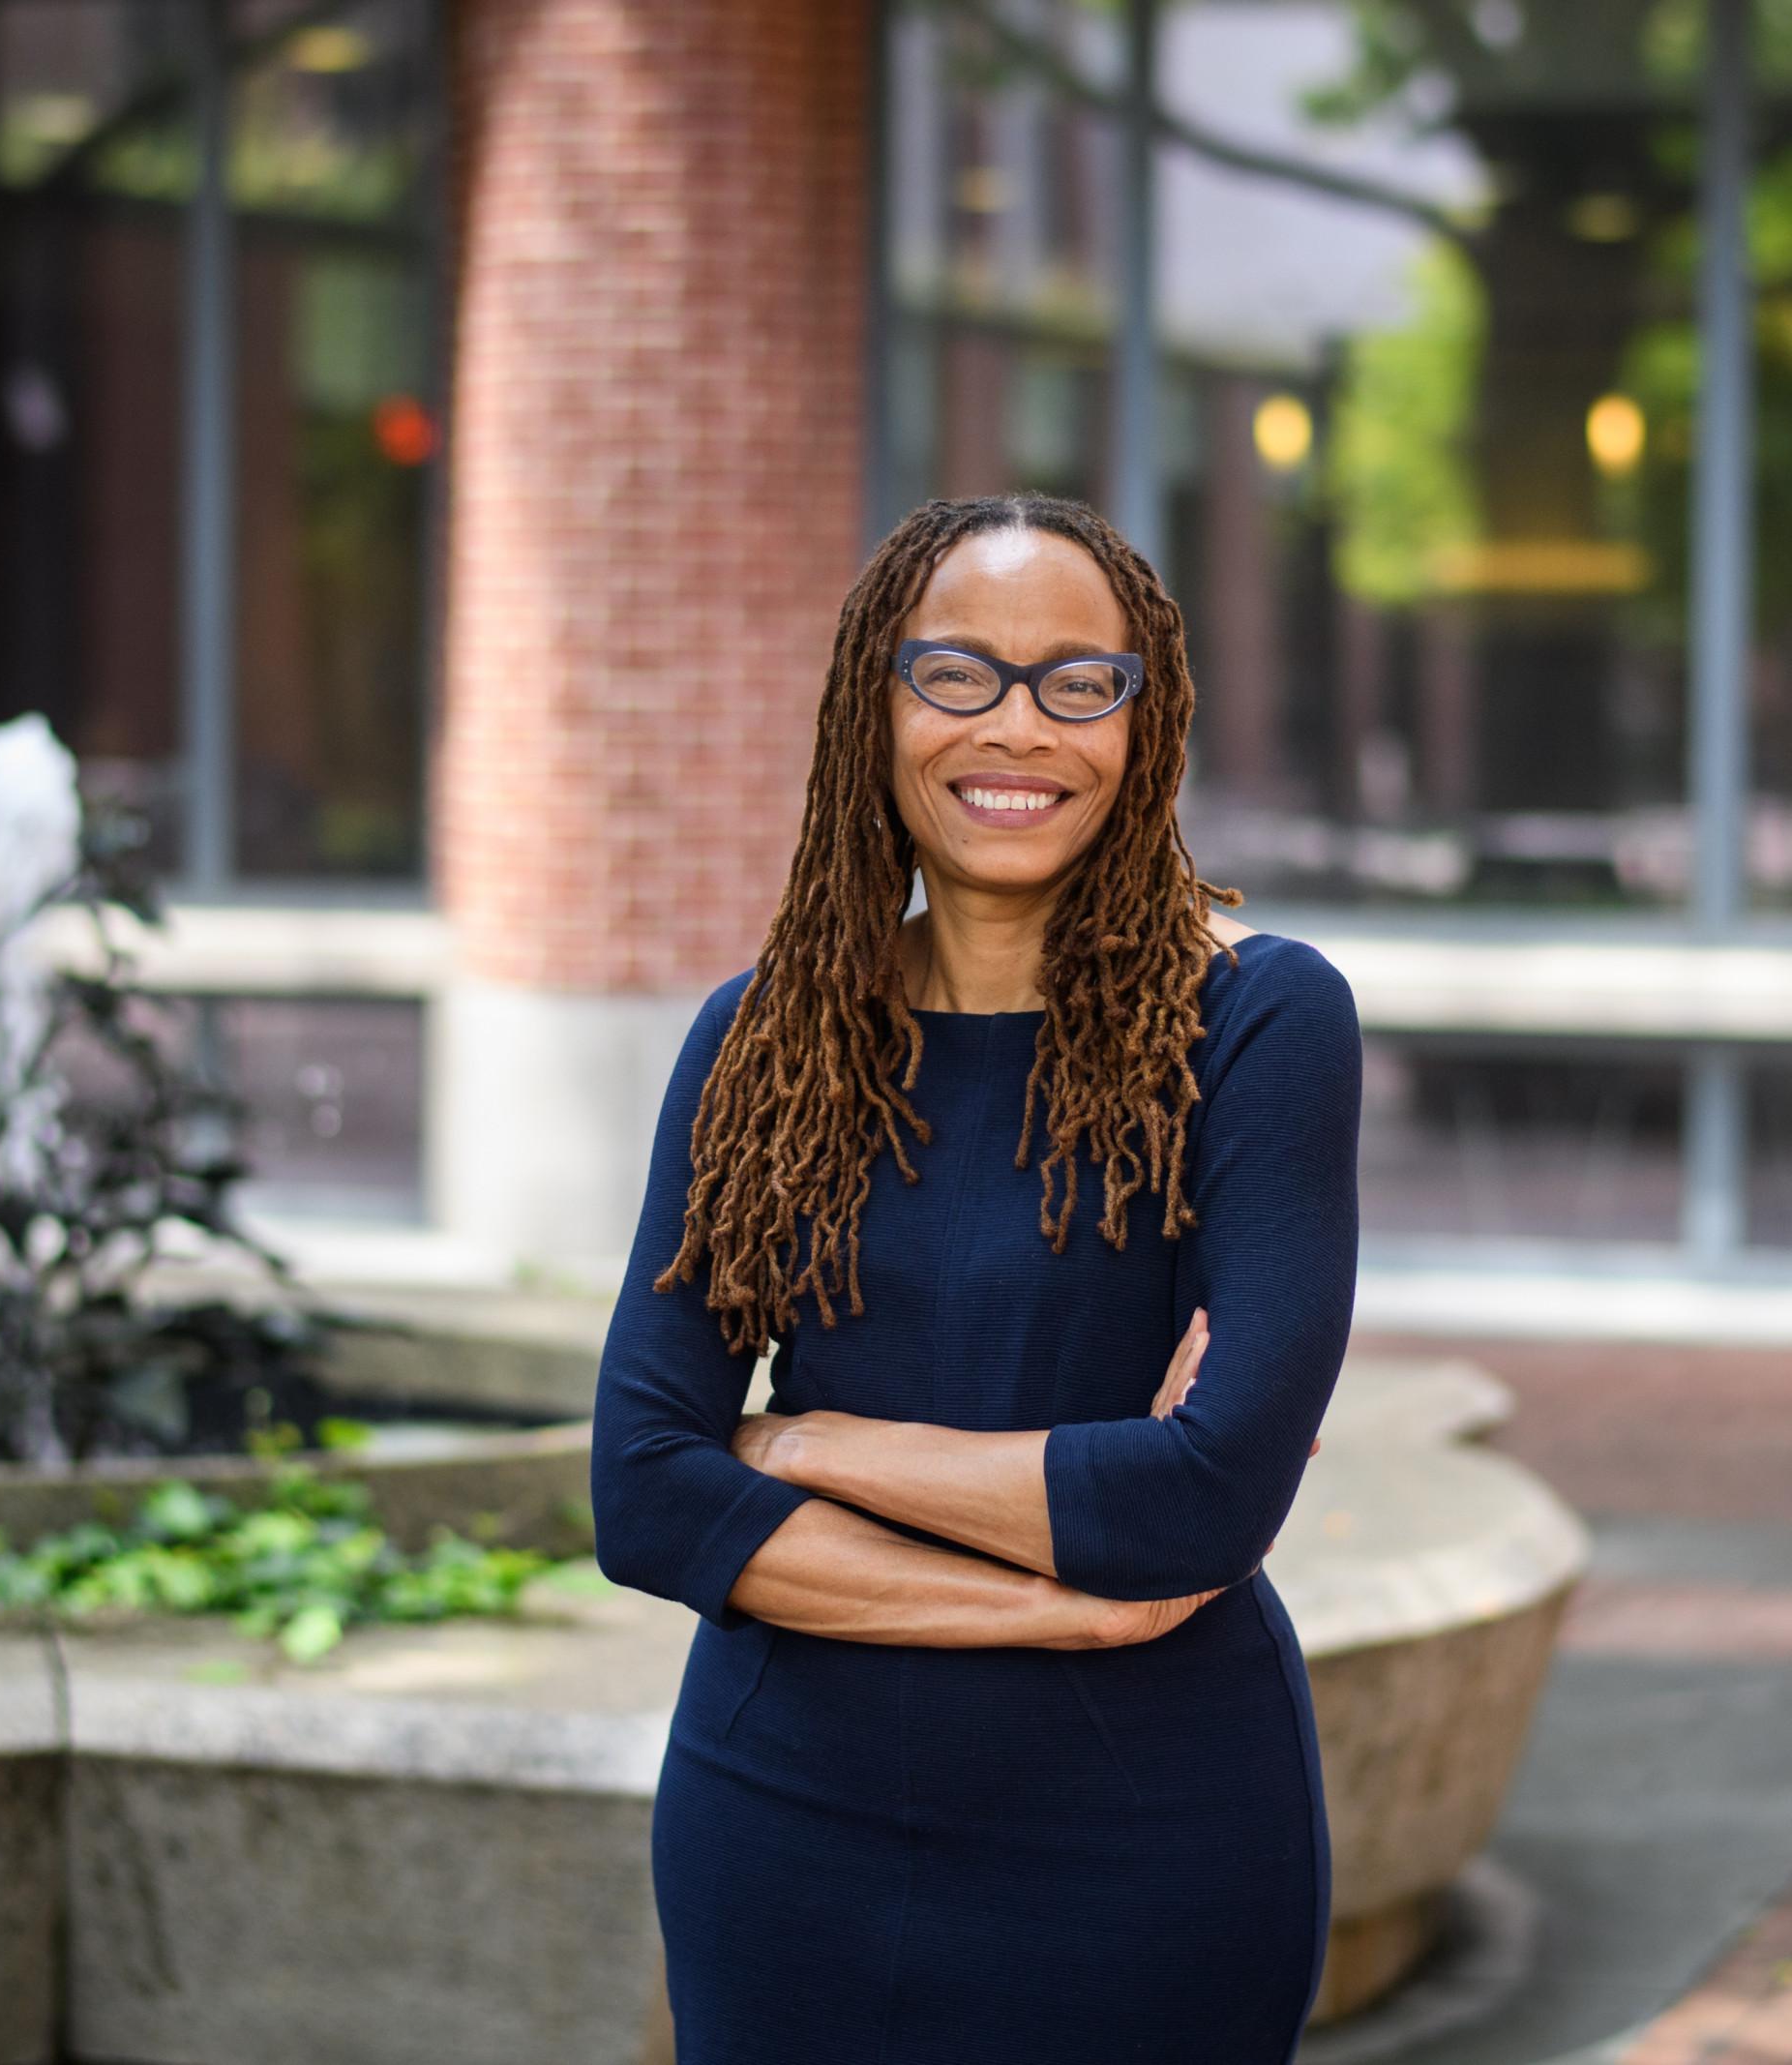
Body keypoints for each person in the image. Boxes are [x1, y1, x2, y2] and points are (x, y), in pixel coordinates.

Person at [588, 492, 1362, 2064]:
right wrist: (1062, 1605)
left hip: (1147, 1838)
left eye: (1082, 682)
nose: (1021, 728)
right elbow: (642, 1495)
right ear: (873, 704)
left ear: (1145, 729)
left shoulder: (1259, 1026)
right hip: (781, 1827)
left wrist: (793, 1443)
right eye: (959, 674)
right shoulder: (761, 1042)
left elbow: (1202, 1498)